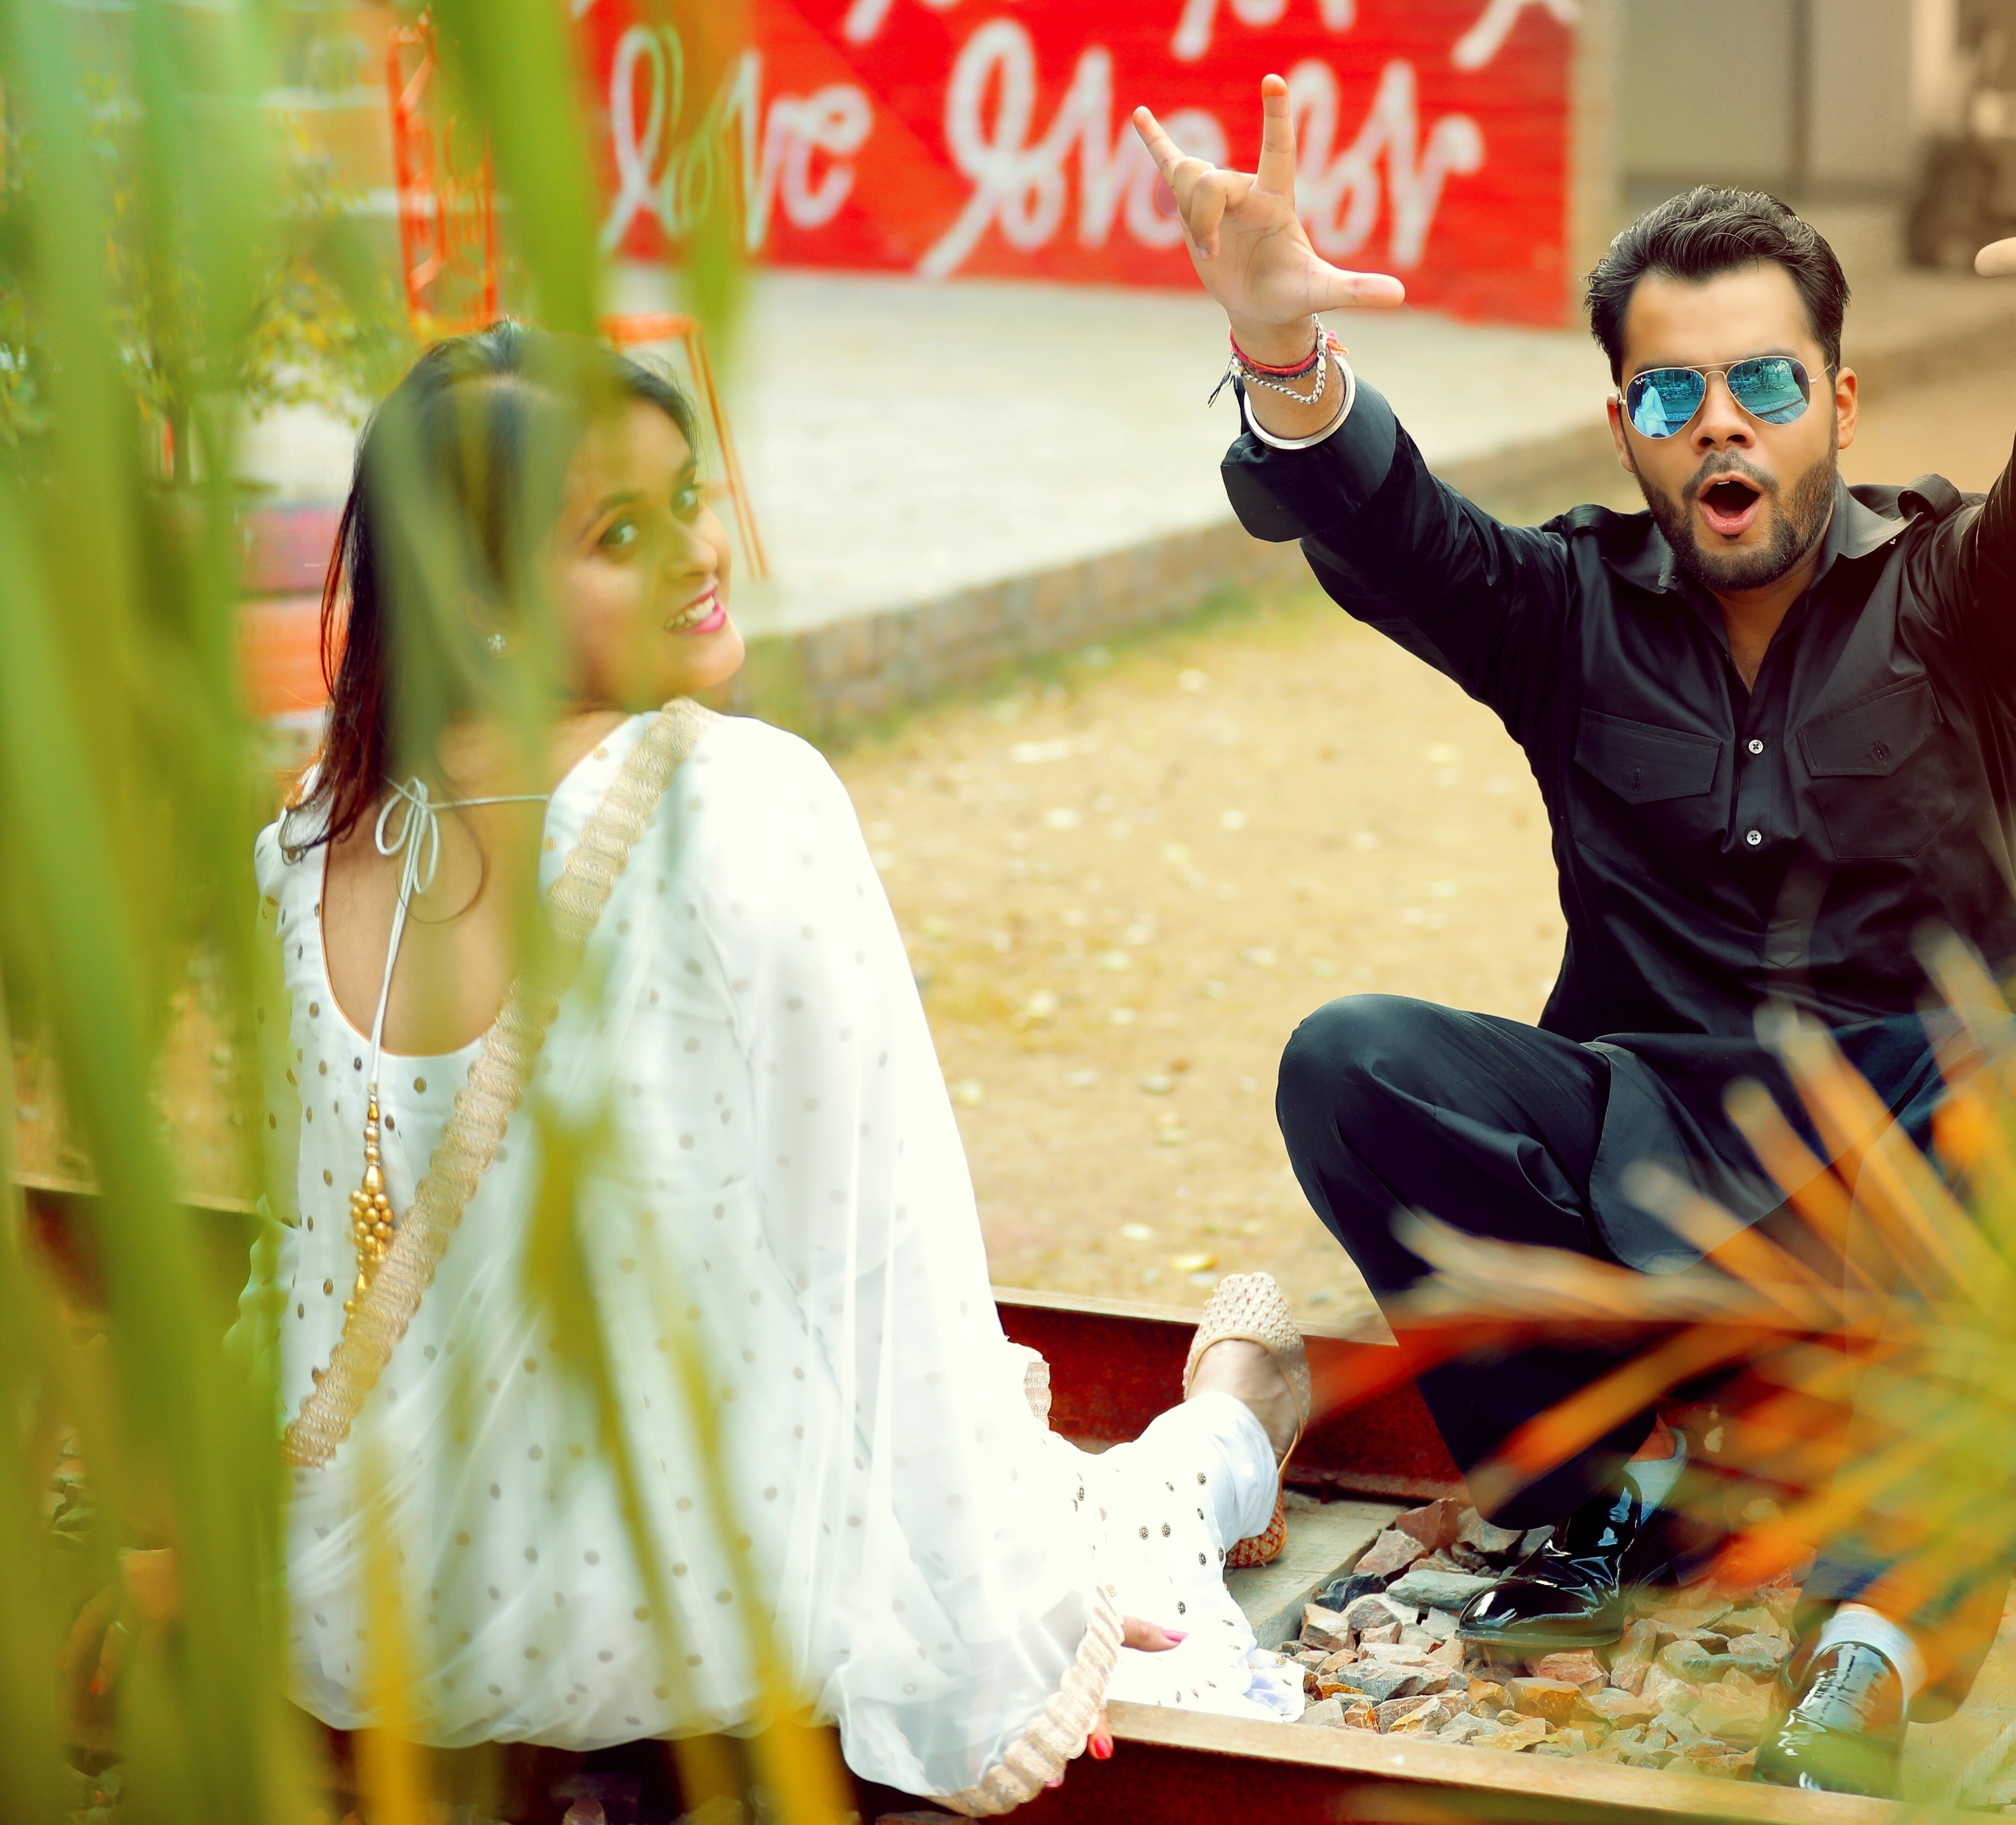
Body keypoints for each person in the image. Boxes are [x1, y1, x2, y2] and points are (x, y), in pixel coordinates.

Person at [1135, 31, 2016, 1796]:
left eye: (1764, 383)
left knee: (2014, 1088)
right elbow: (1390, 527)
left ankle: (1869, 1649)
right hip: (1651, 1151)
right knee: (1352, 1061)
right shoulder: (1561, 613)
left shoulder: (1965, 597)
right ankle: (1605, 1499)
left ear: (1838, 406)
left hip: (1922, 1170)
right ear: (1625, 428)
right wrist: (1277, 345)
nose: (1719, 421)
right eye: (1669, 394)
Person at [249, 325, 1309, 1813]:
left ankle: (1219, 1424)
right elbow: (872, 1264)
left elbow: (309, 1272)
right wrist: (1006, 1642)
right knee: (1109, 1518)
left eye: (687, 496)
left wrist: (235, 1562)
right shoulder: (736, 802)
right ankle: (1231, 1419)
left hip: (392, 1616)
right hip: (700, 1603)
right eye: (621, 534)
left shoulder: (304, 843)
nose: (702, 552)